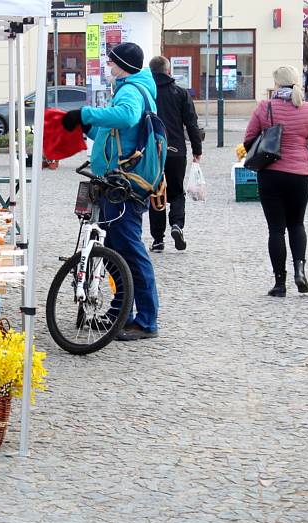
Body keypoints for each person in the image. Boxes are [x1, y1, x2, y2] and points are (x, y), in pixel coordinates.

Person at [61, 42, 159, 341]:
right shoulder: (130, 87)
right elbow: (116, 133)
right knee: (117, 253)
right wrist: (85, 127)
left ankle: (145, 321)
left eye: (112, 62)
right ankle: (121, 314)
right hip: (115, 181)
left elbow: (126, 117)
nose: (109, 66)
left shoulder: (130, 90)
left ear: (123, 65)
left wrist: (86, 114)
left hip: (123, 185)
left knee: (129, 252)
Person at [243, 66, 308, 297]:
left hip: (271, 174)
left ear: (277, 84)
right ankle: (300, 270)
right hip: (300, 175)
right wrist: (307, 165)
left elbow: (249, 139)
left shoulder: (264, 107)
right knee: (297, 224)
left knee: (276, 230)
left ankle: (280, 284)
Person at [147, 56, 202, 252]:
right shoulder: (180, 92)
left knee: (156, 193)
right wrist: (197, 150)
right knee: (177, 191)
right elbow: (191, 123)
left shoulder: (146, 93)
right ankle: (177, 224)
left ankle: (158, 239)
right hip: (176, 150)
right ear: (168, 71)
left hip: (152, 151)